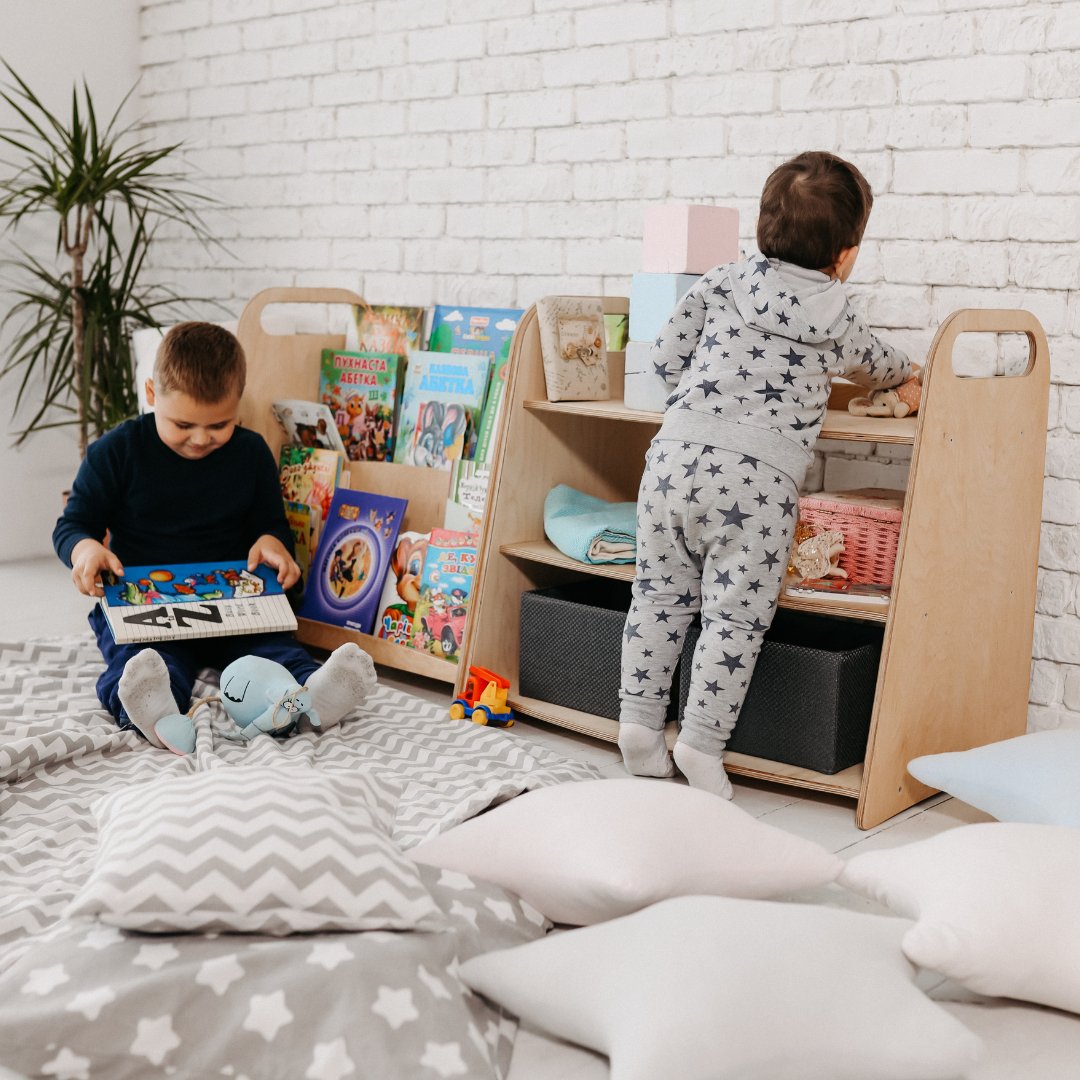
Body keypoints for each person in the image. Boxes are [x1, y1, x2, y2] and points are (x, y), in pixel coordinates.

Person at [619, 151, 915, 798]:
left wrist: (691, 410)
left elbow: (665, 357)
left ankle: (639, 728)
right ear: (846, 253)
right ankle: (700, 743)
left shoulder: (722, 281)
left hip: (673, 459)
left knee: (658, 596)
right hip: (756, 482)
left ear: (762, 227)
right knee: (733, 619)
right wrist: (912, 377)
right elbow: (880, 366)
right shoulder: (835, 313)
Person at [53, 321, 376, 748]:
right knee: (143, 664)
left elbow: (270, 525)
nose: (200, 439)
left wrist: (272, 544)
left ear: (238, 406)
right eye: (183, 424)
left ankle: (313, 696)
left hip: (237, 609)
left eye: (218, 425)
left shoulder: (251, 453)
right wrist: (86, 549)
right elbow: (74, 524)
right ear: (151, 395)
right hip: (147, 610)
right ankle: (154, 711)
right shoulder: (116, 452)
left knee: (275, 651)